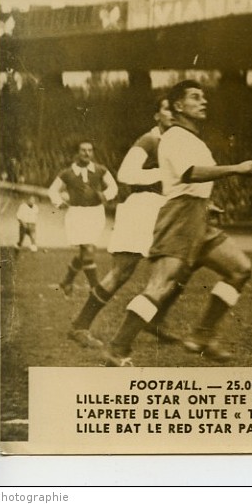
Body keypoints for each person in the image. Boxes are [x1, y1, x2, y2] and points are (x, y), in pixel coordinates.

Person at [102, 80, 252, 367]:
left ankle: (202, 336)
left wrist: (207, 203)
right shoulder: (174, 137)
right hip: (180, 219)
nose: (203, 101)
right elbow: (189, 174)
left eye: (204, 97)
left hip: (198, 217)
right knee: (160, 286)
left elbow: (185, 180)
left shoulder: (192, 139)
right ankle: (118, 347)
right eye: (195, 97)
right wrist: (235, 169)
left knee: (239, 269)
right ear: (178, 105)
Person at [67, 98, 182, 349]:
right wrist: (165, 174)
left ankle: (156, 320)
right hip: (141, 207)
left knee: (179, 267)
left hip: (165, 208)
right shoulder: (150, 140)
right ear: (157, 115)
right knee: (121, 272)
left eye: (175, 109)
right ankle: (80, 326)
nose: (172, 113)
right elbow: (125, 174)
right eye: (166, 108)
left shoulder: (175, 143)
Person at [48, 140, 118, 298]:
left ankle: (67, 281)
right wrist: (59, 203)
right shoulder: (67, 173)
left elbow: (114, 187)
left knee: (86, 252)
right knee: (88, 249)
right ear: (77, 153)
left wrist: (104, 196)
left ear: (93, 152)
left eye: (90, 150)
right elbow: (53, 190)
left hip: (95, 214)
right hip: (77, 214)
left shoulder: (100, 170)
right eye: (83, 150)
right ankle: (95, 288)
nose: (87, 153)